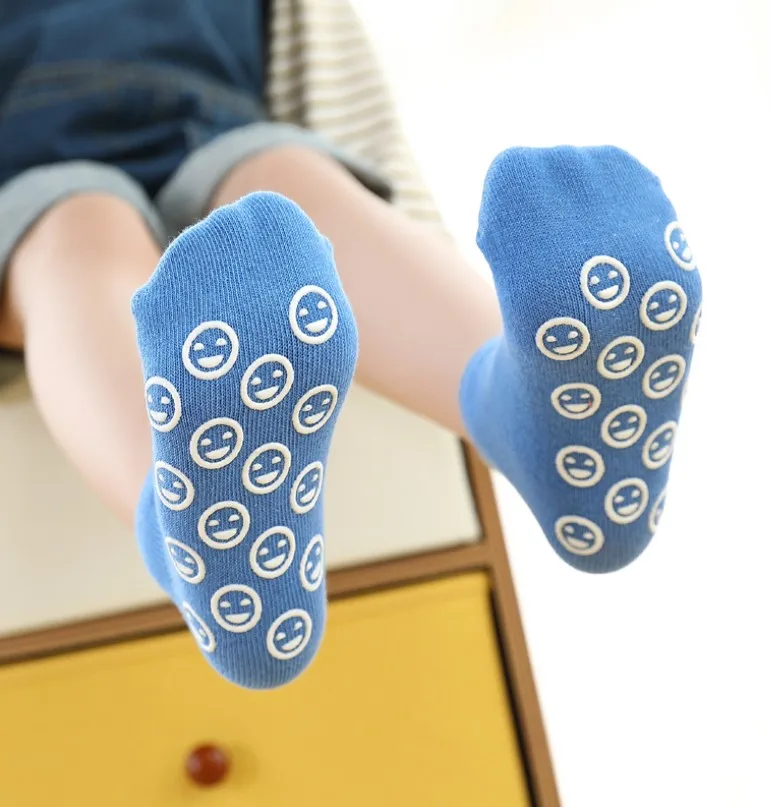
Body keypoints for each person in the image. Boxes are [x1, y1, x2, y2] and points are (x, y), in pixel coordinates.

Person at [0, 0, 702, 688]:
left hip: (222, 134)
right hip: (30, 171)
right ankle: (187, 529)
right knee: (79, 231)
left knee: (283, 197)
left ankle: (533, 414)